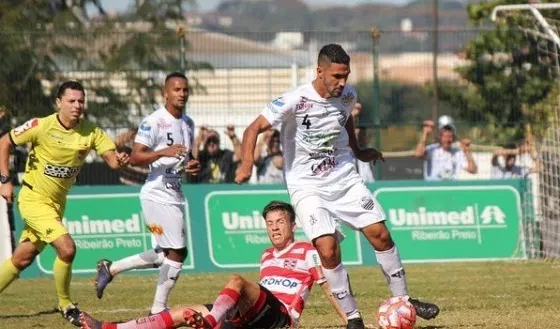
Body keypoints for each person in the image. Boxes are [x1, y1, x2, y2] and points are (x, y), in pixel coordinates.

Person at [235, 44, 440, 329]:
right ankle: (353, 318)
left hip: (344, 178)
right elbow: (253, 128)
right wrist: (246, 164)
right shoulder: (295, 99)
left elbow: (345, 119)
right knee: (327, 248)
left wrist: (357, 150)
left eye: (346, 75)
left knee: (380, 234)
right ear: (320, 71)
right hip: (306, 186)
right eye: (336, 76)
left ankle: (403, 300)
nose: (342, 83)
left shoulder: (347, 95)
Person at [81, 201, 346, 329]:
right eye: (270, 223)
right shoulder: (266, 255)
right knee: (181, 313)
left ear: (293, 225)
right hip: (252, 317)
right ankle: (109, 327)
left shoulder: (307, 251)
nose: (275, 227)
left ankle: (210, 322)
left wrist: (352, 320)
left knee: (237, 282)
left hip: (281, 320)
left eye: (281, 222)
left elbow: (330, 288)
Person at [0, 81, 129, 326]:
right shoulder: (41, 126)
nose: (77, 106)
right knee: (67, 248)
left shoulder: (91, 132)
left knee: (22, 259)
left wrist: (120, 159)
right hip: (33, 199)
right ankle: (66, 304)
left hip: (56, 204)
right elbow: (3, 142)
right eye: (71, 101)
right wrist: (5, 180)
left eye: (81, 101)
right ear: (58, 103)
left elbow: (112, 161)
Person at [94, 72, 201, 314]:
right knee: (178, 252)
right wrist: (163, 152)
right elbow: (135, 156)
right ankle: (157, 310)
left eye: (185, 89)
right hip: (156, 196)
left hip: (173, 195)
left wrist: (193, 165)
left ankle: (110, 269)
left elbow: (187, 157)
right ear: (165, 93)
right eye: (176, 89)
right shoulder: (154, 121)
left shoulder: (188, 123)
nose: (182, 93)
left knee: (164, 255)